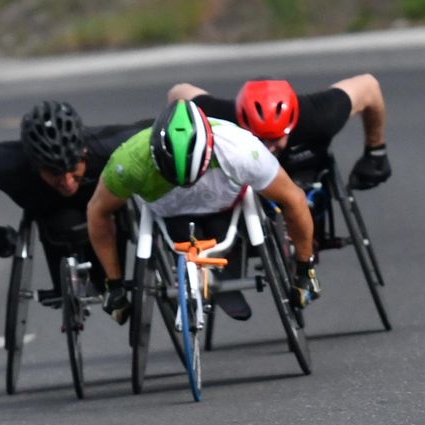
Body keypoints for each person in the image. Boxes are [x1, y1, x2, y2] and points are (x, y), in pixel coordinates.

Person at [85, 98, 318, 318]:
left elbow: (293, 199)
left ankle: (230, 262)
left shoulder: (241, 149)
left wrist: (304, 267)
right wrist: (114, 284)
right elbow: (98, 211)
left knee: (246, 217)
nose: (187, 184)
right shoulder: (130, 161)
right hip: (172, 215)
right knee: (180, 234)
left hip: (225, 207)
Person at [0, 100, 149, 323]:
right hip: (52, 218)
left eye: (72, 168)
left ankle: (108, 281)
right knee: (63, 223)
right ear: (35, 164)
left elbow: (161, 131)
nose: (67, 181)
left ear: (83, 153)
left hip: (107, 209)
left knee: (112, 201)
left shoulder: (107, 146)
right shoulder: (9, 165)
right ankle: (67, 286)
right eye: (54, 171)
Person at [167, 74, 390, 191]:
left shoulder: (320, 115)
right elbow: (178, 93)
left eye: (274, 139)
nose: (269, 148)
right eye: (260, 139)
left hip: (305, 167)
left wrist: (375, 151)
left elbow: (369, 86)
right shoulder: (225, 116)